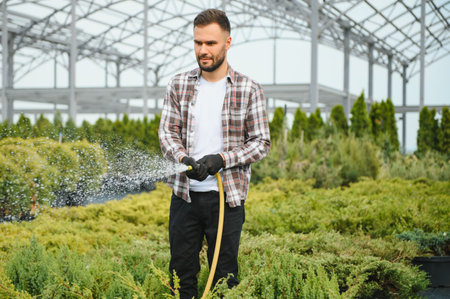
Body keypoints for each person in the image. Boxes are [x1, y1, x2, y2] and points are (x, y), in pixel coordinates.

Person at [158, 8, 270, 299]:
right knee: (181, 275)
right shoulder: (179, 85)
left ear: (227, 43)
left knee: (224, 279)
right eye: (198, 43)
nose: (203, 50)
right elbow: (167, 133)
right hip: (185, 196)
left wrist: (221, 160)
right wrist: (184, 159)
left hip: (227, 199)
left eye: (211, 43)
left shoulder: (248, 89)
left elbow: (261, 142)